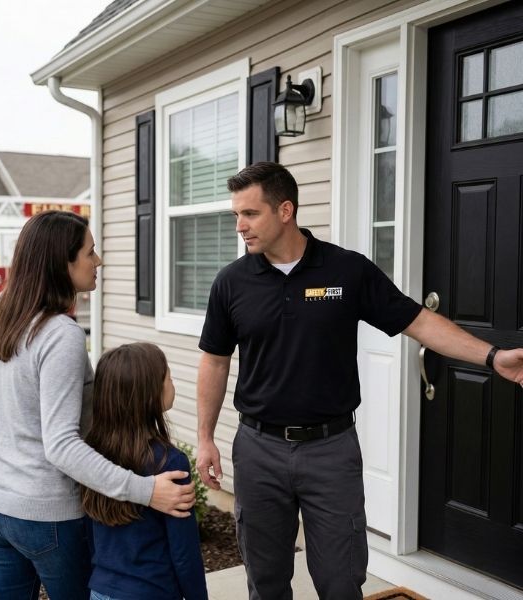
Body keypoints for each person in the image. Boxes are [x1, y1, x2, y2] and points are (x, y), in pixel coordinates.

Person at [195, 162, 523, 600]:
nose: (240, 226)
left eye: (249, 214)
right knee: (266, 581)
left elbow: (419, 321)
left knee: (341, 580)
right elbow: (215, 361)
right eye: (236, 215)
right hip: (258, 450)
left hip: (330, 452)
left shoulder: (345, 271)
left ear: (285, 210)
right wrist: (204, 437)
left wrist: (493, 355)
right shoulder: (232, 282)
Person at [0, 210, 195, 600]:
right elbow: (60, 445)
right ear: (64, 261)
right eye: (90, 252)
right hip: (47, 516)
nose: (99, 261)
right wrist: (145, 490)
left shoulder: (3, 310)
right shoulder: (60, 333)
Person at [81, 343, 208, 600]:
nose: (173, 383)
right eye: (169, 377)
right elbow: (184, 552)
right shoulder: (170, 463)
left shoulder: (91, 455)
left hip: (101, 590)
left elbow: (89, 534)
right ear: (150, 394)